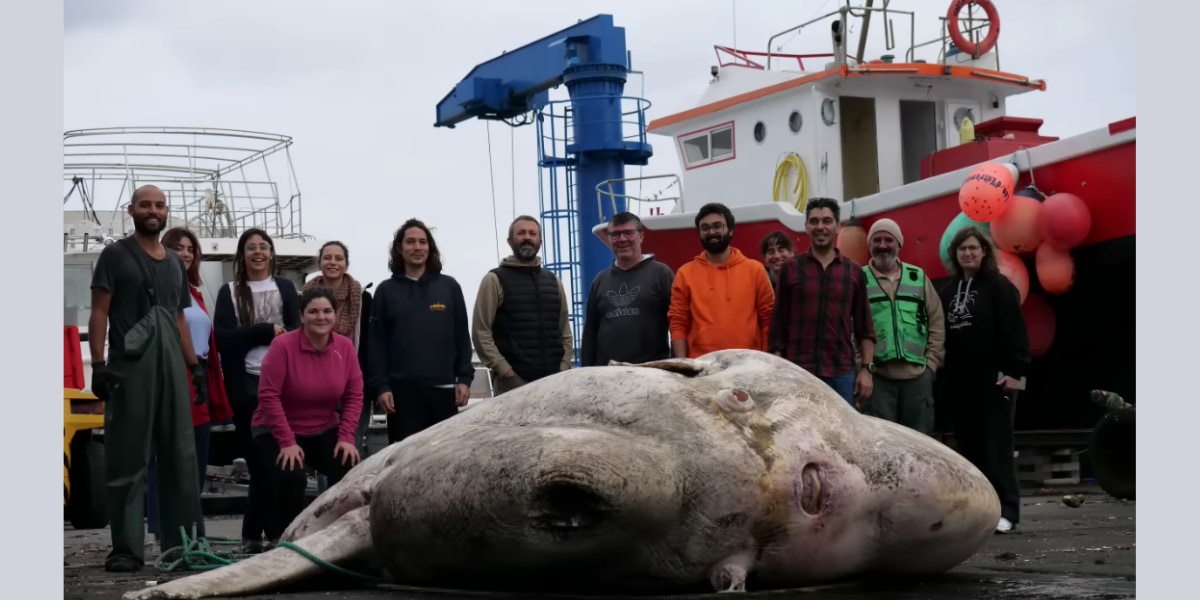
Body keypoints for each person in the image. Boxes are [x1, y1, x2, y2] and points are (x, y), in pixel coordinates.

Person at [87, 185, 207, 572]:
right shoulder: (115, 255)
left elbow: (177, 318)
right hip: (130, 364)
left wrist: (194, 367)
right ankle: (126, 549)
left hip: (172, 363)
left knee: (181, 456)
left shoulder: (175, 262)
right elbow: (100, 312)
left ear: (166, 211)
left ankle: (184, 544)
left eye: (158, 205)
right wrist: (99, 365)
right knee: (127, 456)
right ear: (132, 210)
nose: (152, 211)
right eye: (145, 205)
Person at [145, 227, 235, 547]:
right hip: (169, 375)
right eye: (178, 247)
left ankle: (190, 529)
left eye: (190, 249)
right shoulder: (155, 288)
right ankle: (164, 532)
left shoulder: (196, 292)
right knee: (167, 458)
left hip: (199, 376)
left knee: (196, 458)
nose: (185, 253)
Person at [252, 286, 363, 543]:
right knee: (292, 475)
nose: (320, 317)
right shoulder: (282, 345)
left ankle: (338, 536)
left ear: (335, 316)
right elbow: (268, 396)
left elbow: (355, 395)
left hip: (322, 425)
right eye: (313, 311)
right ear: (302, 316)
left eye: (327, 311)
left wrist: (347, 437)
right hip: (275, 428)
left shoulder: (345, 348)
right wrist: (287, 442)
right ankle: (287, 540)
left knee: (350, 467)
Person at [213, 227, 301, 554]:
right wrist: (264, 331)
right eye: (251, 247)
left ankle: (268, 531)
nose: (258, 252)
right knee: (257, 462)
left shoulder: (286, 287)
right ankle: (257, 533)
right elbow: (224, 339)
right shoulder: (229, 291)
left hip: (283, 385)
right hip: (246, 386)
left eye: (264, 246)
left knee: (280, 461)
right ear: (242, 255)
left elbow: (297, 332)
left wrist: (270, 336)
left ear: (272, 253)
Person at [939, 226, 1029, 534]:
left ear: (984, 252)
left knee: (998, 445)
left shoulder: (1000, 287)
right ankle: (981, 510)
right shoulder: (947, 290)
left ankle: (1009, 512)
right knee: (970, 446)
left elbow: (1016, 331)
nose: (968, 253)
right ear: (955, 254)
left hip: (998, 380)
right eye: (962, 249)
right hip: (961, 382)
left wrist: (1016, 373)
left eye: (973, 248)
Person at [367, 219, 473, 443]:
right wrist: (381, 386)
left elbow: (462, 336)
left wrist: (464, 378)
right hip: (401, 396)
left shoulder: (449, 287)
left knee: (444, 461)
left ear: (430, 248)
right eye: (410, 242)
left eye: (423, 242)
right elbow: (376, 345)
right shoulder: (385, 291)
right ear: (399, 248)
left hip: (445, 392)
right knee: (404, 465)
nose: (417, 247)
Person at [767, 197, 875, 406]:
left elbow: (865, 327)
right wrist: (778, 370)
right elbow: (778, 324)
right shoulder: (790, 269)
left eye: (827, 221)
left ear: (838, 226)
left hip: (841, 372)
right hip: (798, 371)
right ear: (806, 227)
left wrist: (867, 370)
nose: (820, 227)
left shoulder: (854, 272)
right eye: (814, 221)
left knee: (841, 435)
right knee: (798, 433)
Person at [858, 219, 945, 434]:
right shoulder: (858, 279)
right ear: (869, 245)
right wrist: (860, 365)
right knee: (879, 443)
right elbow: (850, 325)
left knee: (920, 445)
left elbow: (936, 320)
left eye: (889, 239)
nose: (883, 245)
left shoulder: (918, 278)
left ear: (899, 244)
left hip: (917, 379)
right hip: (877, 379)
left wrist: (931, 364)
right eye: (876, 240)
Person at [472, 215, 574, 395]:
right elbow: (481, 332)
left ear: (539, 241)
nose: (527, 237)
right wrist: (506, 372)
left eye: (532, 233)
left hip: (553, 382)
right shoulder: (494, 280)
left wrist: (564, 368)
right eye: (521, 233)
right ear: (510, 241)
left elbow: (564, 330)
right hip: (511, 385)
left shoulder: (553, 282)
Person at [668, 202, 775, 359]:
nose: (711, 232)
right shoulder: (685, 273)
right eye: (705, 228)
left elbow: (768, 319)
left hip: (749, 364)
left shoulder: (755, 270)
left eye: (717, 226)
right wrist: (683, 364)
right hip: (701, 366)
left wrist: (766, 360)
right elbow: (678, 322)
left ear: (730, 230)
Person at [303, 241, 374, 462]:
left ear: (346, 264)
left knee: (351, 443)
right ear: (320, 262)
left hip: (354, 383)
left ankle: (353, 495)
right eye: (327, 257)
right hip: (317, 385)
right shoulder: (305, 297)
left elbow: (370, 343)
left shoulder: (362, 298)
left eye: (338, 258)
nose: (332, 262)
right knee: (325, 449)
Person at [580, 212, 675, 366]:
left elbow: (677, 324)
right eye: (615, 234)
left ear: (641, 236)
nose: (622, 239)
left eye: (628, 233)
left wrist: (677, 364)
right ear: (609, 239)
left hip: (651, 372)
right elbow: (590, 331)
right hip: (608, 373)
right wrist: (586, 371)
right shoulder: (600, 281)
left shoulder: (662, 274)